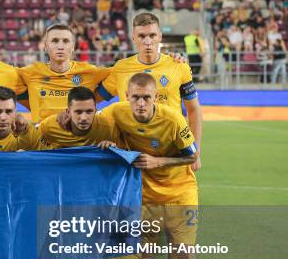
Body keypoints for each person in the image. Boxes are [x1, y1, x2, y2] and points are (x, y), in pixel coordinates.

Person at [101, 73, 199, 259]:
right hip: (144, 193)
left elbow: (192, 156)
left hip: (180, 192)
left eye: (146, 97)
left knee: (183, 255)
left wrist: (159, 162)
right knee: (143, 255)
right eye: (136, 97)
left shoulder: (173, 119)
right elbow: (87, 124)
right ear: (128, 97)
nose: (141, 103)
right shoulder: (116, 113)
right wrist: (108, 143)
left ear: (155, 97)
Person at [97, 12, 203, 172]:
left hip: (170, 152)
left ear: (160, 36)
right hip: (132, 154)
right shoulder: (121, 68)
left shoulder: (178, 66)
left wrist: (196, 150)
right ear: (133, 38)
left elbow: (194, 109)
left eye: (152, 35)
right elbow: (95, 97)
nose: (147, 42)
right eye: (141, 36)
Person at [18, 23, 110, 123]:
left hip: (79, 137)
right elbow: (6, 79)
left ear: (73, 46)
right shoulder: (30, 73)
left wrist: (96, 97)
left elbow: (118, 74)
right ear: (45, 46)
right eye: (55, 41)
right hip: (42, 137)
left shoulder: (91, 72)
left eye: (65, 41)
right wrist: (31, 102)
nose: (60, 46)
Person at [35, 86, 119, 148]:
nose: (83, 118)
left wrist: (110, 146)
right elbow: (33, 142)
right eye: (78, 112)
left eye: (89, 111)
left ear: (95, 111)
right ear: (68, 112)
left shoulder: (105, 127)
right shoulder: (49, 126)